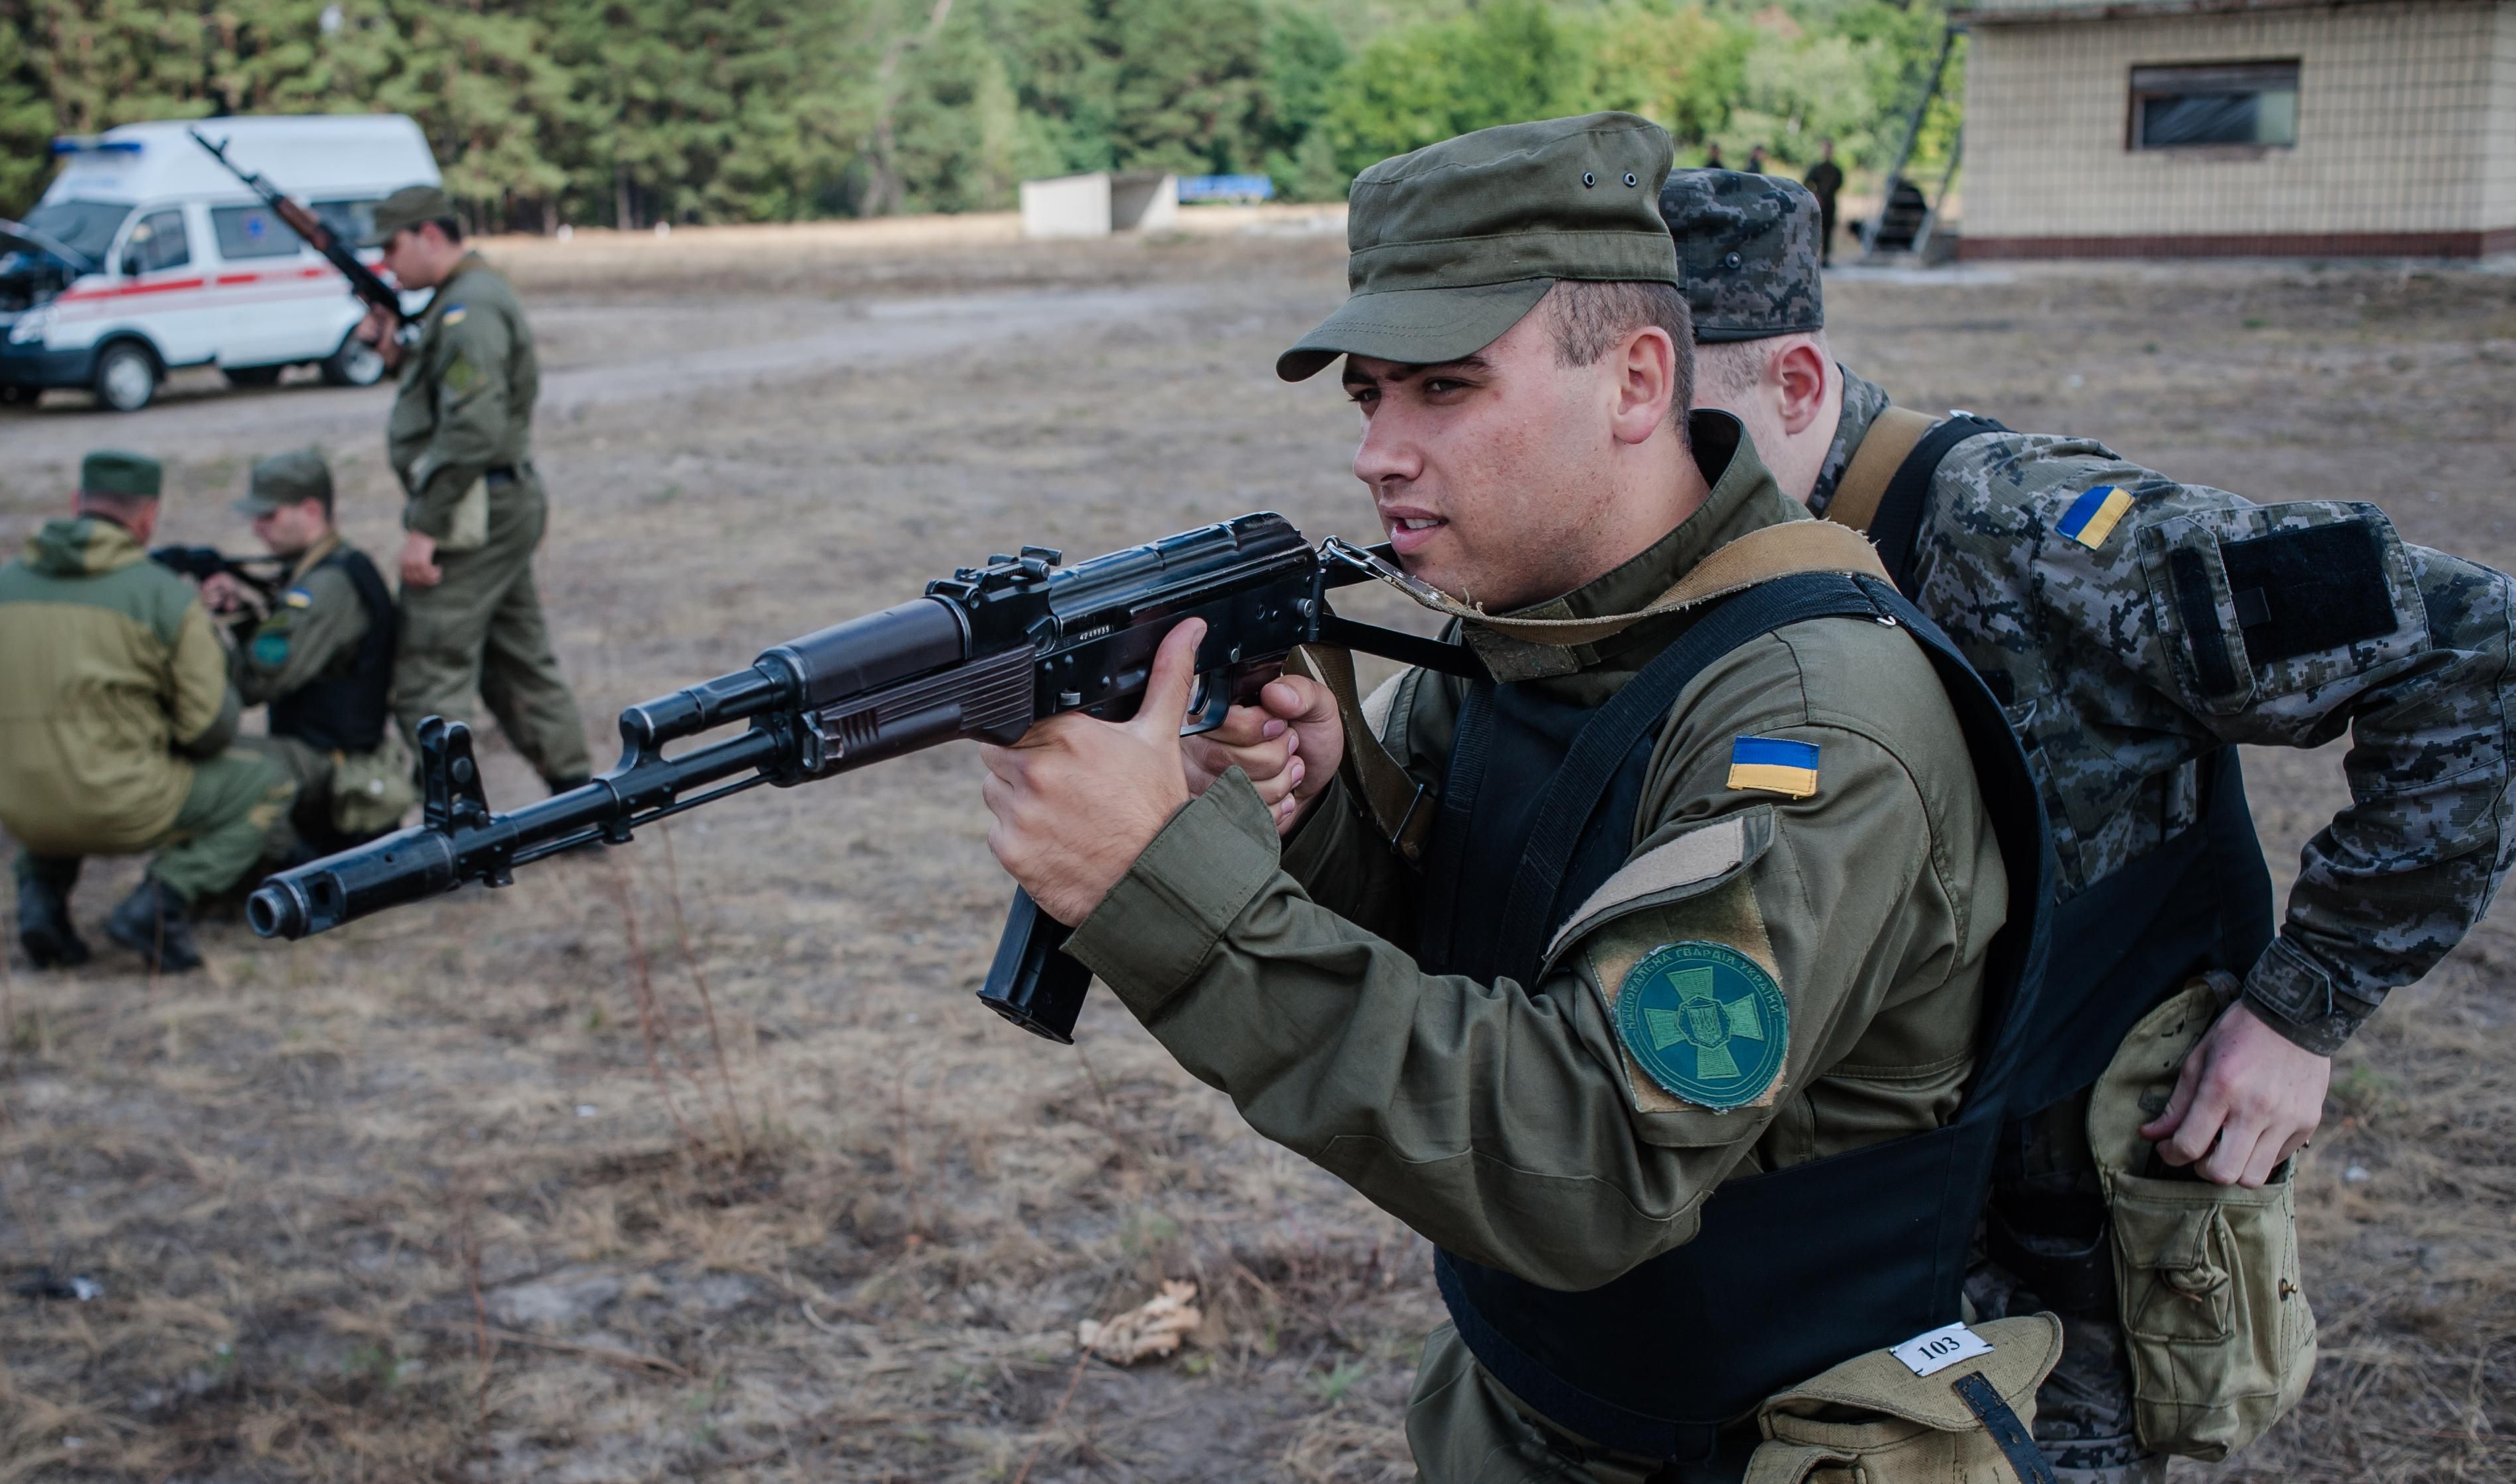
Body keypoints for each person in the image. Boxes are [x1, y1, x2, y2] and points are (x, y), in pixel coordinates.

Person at [981, 114, 2049, 1480]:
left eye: (1443, 388)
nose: (1377, 448)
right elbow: (1470, 939)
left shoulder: (1813, 723)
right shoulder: (1542, 623)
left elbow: (1587, 1152)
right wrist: (1317, 818)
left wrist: (1164, 890)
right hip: (1531, 1393)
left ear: (1634, 379)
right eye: (1368, 394)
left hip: (1758, 1441)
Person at [1662, 166, 2516, 1483]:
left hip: (2068, 1241)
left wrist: (2303, 1008)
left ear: (1791, 384)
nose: (1643, 471)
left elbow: (2466, 644)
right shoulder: (1719, 558)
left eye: (1672, 419)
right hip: (1877, 1219)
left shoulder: (2025, 530)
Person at [0, 450, 294, 973]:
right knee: (270, 778)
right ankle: (160, 902)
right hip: (120, 802)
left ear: (75, 504)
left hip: (20, 804)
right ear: (148, 517)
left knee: (57, 766)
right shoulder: (162, 598)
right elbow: (211, 728)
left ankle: (40, 903)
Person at [355, 184, 592, 792]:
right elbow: (454, 395)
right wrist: (393, 354)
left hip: (474, 509)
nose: (386, 262)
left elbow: (473, 424)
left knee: (429, 668)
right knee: (518, 663)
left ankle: (454, 831)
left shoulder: (470, 309)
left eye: (392, 245)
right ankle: (582, 800)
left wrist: (425, 528)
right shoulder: (459, 301)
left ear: (430, 235)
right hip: (494, 503)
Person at [204, 449, 406, 863]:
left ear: (311, 510)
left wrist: (210, 632)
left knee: (212, 767)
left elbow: (256, 684)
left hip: (332, 766)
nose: (258, 529)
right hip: (318, 754)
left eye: (269, 516)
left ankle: (303, 868)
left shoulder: (325, 588)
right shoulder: (322, 570)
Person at [1801, 140, 1844, 266]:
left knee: (1828, 231)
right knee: (1816, 230)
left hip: (1830, 204)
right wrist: (1816, 195)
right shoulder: (1816, 168)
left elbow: (1838, 185)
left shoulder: (1836, 170)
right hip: (1819, 204)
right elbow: (1807, 183)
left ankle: (1826, 258)